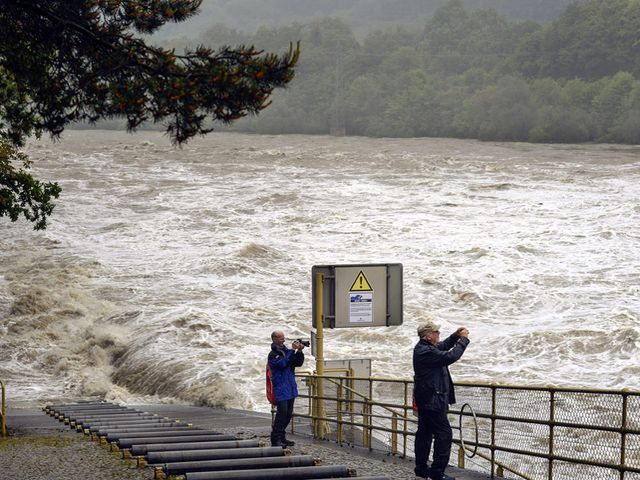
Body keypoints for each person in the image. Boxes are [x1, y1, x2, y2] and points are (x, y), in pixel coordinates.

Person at [413, 320, 470, 480]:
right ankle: (437, 472)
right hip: (432, 400)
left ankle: (421, 469)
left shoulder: (425, 348)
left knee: (424, 433)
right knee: (444, 434)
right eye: (436, 332)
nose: (439, 335)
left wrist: (455, 336)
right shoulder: (426, 352)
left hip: (427, 399)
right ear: (429, 335)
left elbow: (444, 346)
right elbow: (451, 355)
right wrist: (464, 339)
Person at [268, 330, 305, 447]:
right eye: (280, 338)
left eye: (283, 337)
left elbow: (298, 363)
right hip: (280, 387)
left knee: (288, 414)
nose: (283, 340)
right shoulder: (273, 354)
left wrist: (299, 351)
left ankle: (282, 437)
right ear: (274, 339)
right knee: (282, 413)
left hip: (290, 386)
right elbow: (282, 364)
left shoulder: (287, 351)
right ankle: (275, 439)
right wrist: (292, 351)